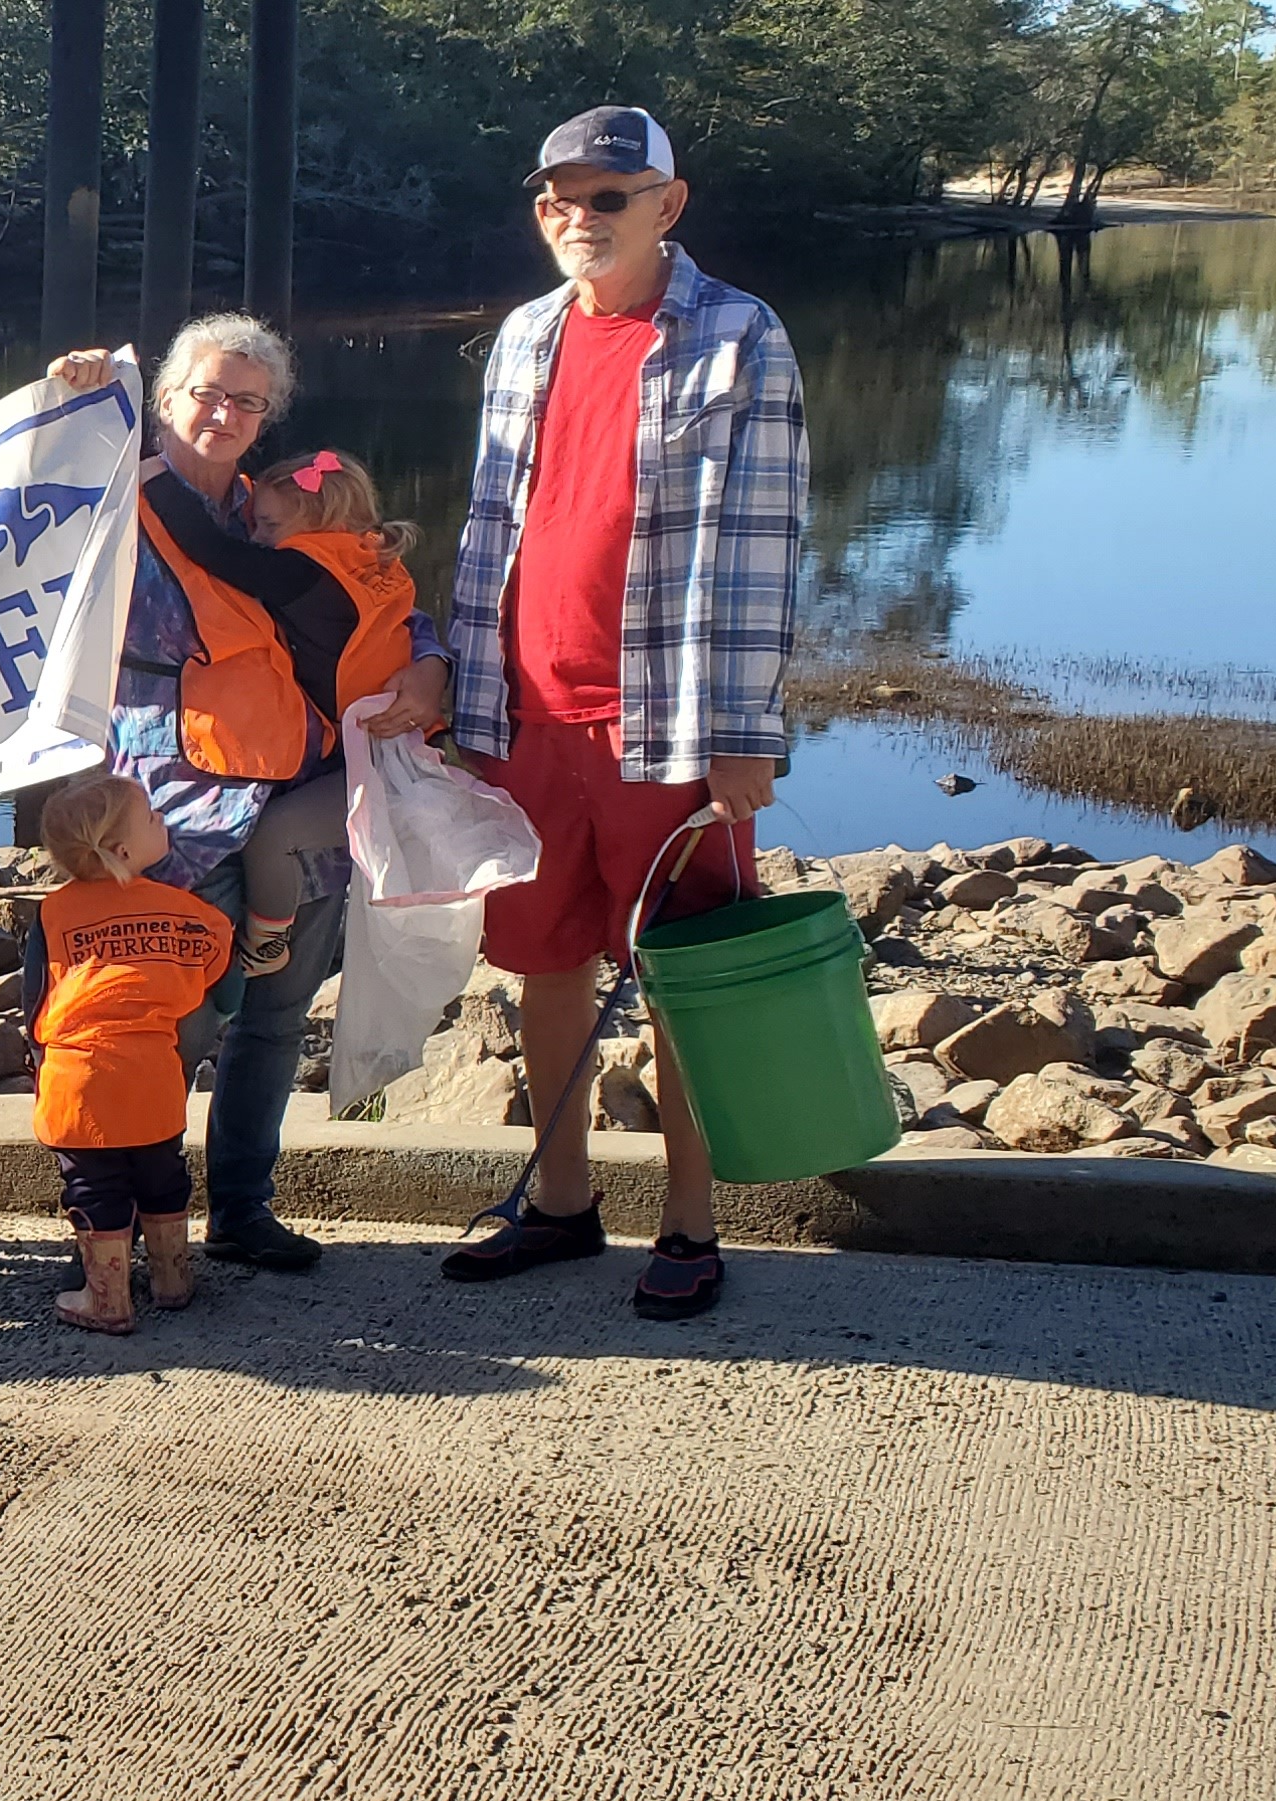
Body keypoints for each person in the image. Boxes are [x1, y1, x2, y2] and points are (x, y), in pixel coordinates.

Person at [438, 106, 805, 1321]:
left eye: (608, 196)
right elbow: (490, 523)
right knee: (541, 964)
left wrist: (748, 733)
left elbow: (764, 544)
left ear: (668, 203)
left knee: (681, 981)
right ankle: (561, 1205)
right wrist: (456, 683)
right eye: (558, 197)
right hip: (524, 719)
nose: (578, 218)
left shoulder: (738, 336)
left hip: (668, 722)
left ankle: (691, 1224)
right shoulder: (524, 336)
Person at [45, 321, 452, 1276]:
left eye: (248, 400)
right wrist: (64, 399)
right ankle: (128, 1219)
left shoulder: (285, 512)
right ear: (166, 397)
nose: (224, 414)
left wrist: (430, 670)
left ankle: (242, 1207)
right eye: (207, 393)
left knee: (274, 1014)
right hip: (157, 809)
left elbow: (387, 605)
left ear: (267, 416)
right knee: (154, 1024)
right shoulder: (103, 492)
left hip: (297, 799)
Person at [29, 773, 234, 1335]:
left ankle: (108, 1300)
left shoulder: (53, 912)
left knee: (95, 1185)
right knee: (161, 1173)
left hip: (81, 1075)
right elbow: (223, 976)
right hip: (154, 1074)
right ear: (123, 851)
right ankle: (173, 1281)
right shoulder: (184, 910)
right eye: (151, 817)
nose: (162, 820)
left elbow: (34, 1000)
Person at [224, 449, 429, 977]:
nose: (258, 537)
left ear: (318, 523)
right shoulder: (367, 561)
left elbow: (209, 551)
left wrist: (152, 479)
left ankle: (266, 944)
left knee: (274, 834)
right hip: (397, 752)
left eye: (269, 525)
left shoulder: (304, 573)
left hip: (381, 767)